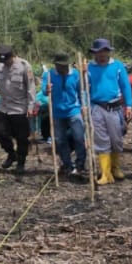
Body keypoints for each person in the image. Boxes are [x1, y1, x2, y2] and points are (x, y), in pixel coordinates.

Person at [86, 38, 132, 186]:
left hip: (115, 107)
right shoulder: (88, 68)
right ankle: (105, 174)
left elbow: (125, 86)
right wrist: (85, 106)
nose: (101, 55)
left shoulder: (117, 66)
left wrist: (129, 105)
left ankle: (115, 167)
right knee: (101, 140)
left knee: (116, 139)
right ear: (94, 53)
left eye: (104, 51)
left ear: (108, 52)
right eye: (98, 52)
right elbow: (83, 88)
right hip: (97, 107)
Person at [41, 53, 88, 182]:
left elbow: (81, 91)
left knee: (79, 137)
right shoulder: (49, 75)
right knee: (60, 140)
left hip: (74, 110)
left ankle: (80, 164)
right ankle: (67, 164)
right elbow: (44, 91)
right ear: (55, 65)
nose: (63, 68)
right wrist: (47, 89)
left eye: (65, 66)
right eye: (60, 66)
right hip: (57, 112)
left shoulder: (75, 74)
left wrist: (83, 105)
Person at [0, 46, 34, 177]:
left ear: (12, 56)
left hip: (19, 107)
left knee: (22, 138)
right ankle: (11, 154)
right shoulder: (0, 66)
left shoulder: (24, 66)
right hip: (4, 106)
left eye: (7, 61)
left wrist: (30, 107)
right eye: (3, 61)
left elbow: (31, 88)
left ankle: (21, 162)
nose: (5, 63)